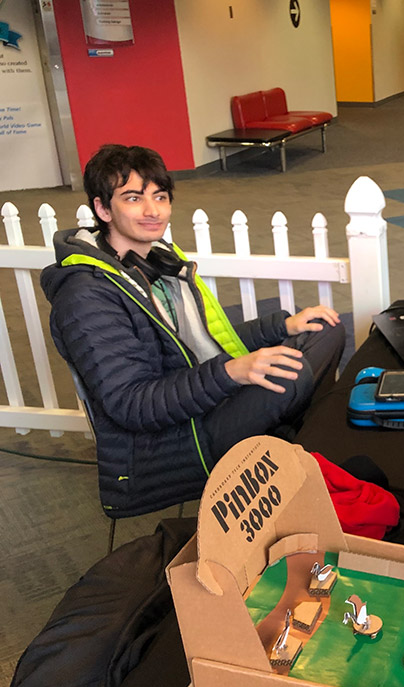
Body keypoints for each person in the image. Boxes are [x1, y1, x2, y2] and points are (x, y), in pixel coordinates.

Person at [41, 144, 346, 518]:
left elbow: (206, 342)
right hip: (170, 442)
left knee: (324, 328)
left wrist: (283, 326)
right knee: (292, 374)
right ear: (103, 209)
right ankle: (296, 450)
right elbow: (132, 405)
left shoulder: (157, 262)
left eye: (160, 196)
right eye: (133, 198)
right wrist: (231, 372)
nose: (152, 210)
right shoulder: (87, 296)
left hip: (202, 398)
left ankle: (292, 449)